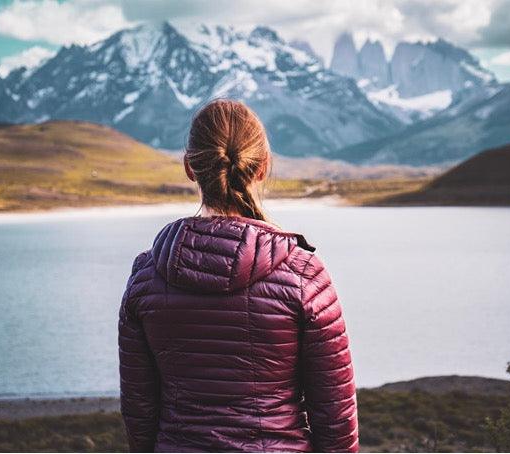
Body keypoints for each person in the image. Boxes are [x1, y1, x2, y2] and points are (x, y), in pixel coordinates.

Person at [118, 99, 358, 452]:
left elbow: (139, 412)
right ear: (262, 168)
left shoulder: (146, 277)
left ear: (190, 168)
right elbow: (335, 417)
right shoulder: (303, 275)